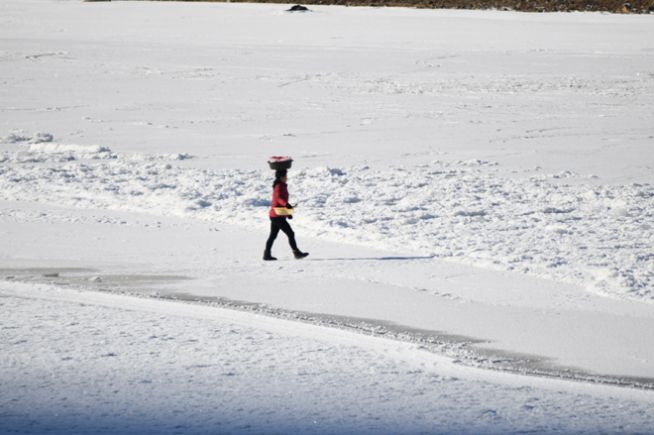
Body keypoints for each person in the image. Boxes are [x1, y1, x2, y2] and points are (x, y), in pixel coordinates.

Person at [263, 169, 309, 261]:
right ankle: (296, 253)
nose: (286, 178)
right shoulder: (279, 186)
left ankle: (266, 255)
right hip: (277, 216)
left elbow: (280, 201)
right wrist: (286, 205)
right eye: (285, 176)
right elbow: (279, 198)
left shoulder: (281, 185)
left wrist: (287, 213)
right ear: (281, 177)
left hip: (276, 214)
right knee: (290, 233)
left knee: (273, 236)